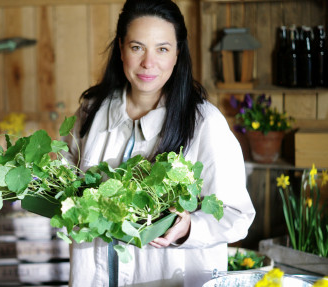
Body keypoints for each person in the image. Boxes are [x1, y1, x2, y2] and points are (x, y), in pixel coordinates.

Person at [60, 0, 256, 286]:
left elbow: (237, 216)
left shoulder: (204, 123)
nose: (148, 63)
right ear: (121, 48)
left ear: (178, 53)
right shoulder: (92, 111)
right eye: (137, 47)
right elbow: (63, 177)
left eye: (162, 49)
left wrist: (190, 228)